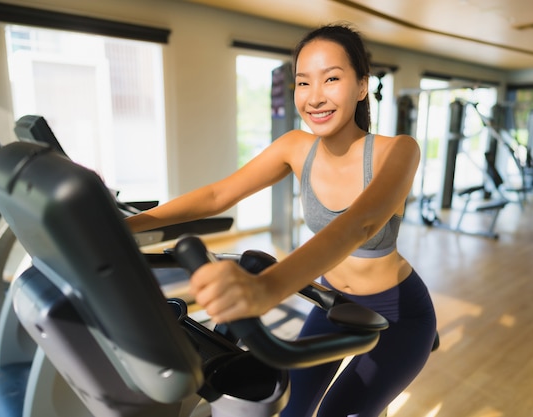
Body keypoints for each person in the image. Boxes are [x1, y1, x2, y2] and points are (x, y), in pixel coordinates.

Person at [126, 22, 437, 417]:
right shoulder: (295, 147)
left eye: (332, 79)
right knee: (291, 410)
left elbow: (359, 224)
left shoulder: (398, 151)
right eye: (303, 83)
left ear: (361, 86)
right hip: (334, 304)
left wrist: (267, 288)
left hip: (398, 315)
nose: (315, 97)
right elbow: (218, 195)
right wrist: (129, 225)